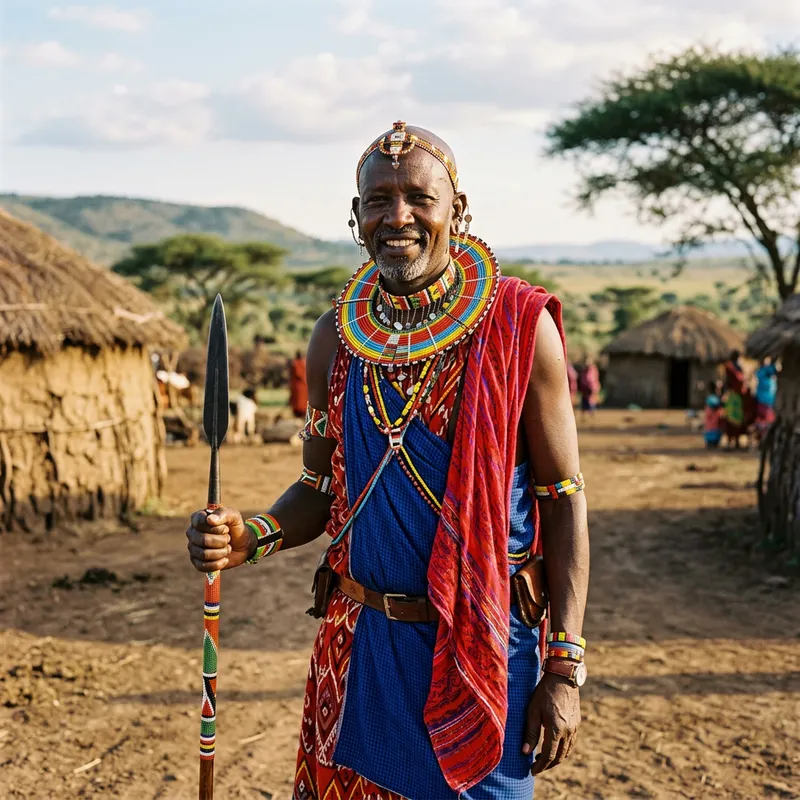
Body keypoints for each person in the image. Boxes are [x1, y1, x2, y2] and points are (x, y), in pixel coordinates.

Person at [186, 121, 590, 799]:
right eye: (378, 200)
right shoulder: (334, 341)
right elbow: (318, 492)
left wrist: (565, 667)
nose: (397, 216)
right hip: (360, 648)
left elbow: (563, 497)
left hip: (487, 652)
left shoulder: (519, 328)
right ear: (356, 217)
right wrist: (247, 537)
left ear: (457, 212)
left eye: (418, 198)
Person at [722, 350, 746, 449]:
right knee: (735, 418)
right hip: (737, 397)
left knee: (731, 418)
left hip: (733, 396)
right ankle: (734, 441)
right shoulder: (733, 368)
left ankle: (732, 442)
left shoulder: (730, 368)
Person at [288, 350, 308, 419]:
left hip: (298, 387)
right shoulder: (305, 363)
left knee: (298, 402)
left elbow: (298, 374)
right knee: (301, 401)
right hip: (303, 386)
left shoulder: (295, 364)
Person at [703, 380, 723, 449]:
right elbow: (716, 403)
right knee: (711, 428)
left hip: (715, 417)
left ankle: (714, 443)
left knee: (714, 428)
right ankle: (710, 443)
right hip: (712, 416)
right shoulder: (712, 397)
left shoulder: (713, 397)